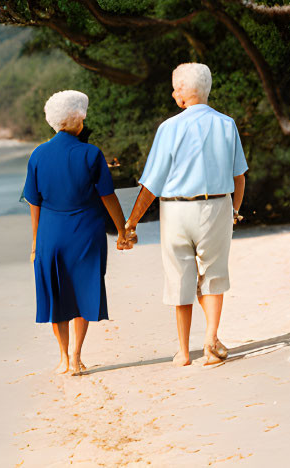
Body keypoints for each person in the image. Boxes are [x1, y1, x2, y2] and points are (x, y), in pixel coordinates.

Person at [124, 63, 248, 366]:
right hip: (217, 205)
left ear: (182, 93)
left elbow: (151, 183)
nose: (173, 92)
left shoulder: (169, 128)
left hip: (177, 208)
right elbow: (239, 176)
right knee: (214, 274)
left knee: (179, 277)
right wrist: (235, 211)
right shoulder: (226, 123)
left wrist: (131, 221)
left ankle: (182, 351)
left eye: (175, 87)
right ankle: (210, 340)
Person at [24, 90, 133, 376]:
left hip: (51, 233)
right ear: (77, 120)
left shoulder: (38, 155)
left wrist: (36, 241)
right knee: (83, 290)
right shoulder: (91, 153)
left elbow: (34, 203)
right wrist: (123, 230)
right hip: (86, 232)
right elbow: (108, 196)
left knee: (56, 294)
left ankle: (62, 357)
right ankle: (76, 356)